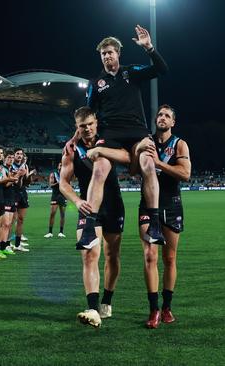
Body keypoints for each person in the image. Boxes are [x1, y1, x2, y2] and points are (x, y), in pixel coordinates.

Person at [78, 25, 169, 249]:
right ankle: (89, 228)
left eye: (110, 52)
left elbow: (162, 69)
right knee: (99, 170)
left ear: (118, 54)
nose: (107, 56)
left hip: (137, 131)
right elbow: (87, 114)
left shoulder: (132, 72)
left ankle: (155, 223)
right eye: (103, 53)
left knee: (148, 163)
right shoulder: (95, 84)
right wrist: (74, 138)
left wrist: (149, 47)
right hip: (110, 133)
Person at [59, 107, 126, 328]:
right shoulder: (71, 150)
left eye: (90, 124)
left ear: (96, 122)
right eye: (82, 126)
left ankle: (107, 300)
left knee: (112, 256)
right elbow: (63, 183)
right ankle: (93, 307)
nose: (87, 129)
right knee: (89, 255)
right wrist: (77, 201)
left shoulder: (108, 140)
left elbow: (127, 157)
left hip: (113, 205)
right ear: (76, 128)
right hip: (88, 207)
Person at [136, 105, 190, 328]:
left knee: (169, 259)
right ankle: (153, 310)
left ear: (173, 122)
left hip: (172, 204)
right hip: (148, 206)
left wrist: (158, 164)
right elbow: (132, 168)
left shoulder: (179, 144)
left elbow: (185, 174)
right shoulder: (146, 141)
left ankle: (167, 306)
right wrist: (138, 150)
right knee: (150, 256)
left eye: (167, 116)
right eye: (160, 114)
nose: (162, 118)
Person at [45, 163, 66, 238]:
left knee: (62, 214)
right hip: (55, 195)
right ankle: (50, 232)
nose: (61, 166)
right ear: (58, 166)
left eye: (62, 165)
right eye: (60, 165)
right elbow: (51, 185)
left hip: (63, 196)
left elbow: (69, 184)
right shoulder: (53, 174)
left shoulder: (66, 174)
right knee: (52, 213)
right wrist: (58, 183)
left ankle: (61, 232)